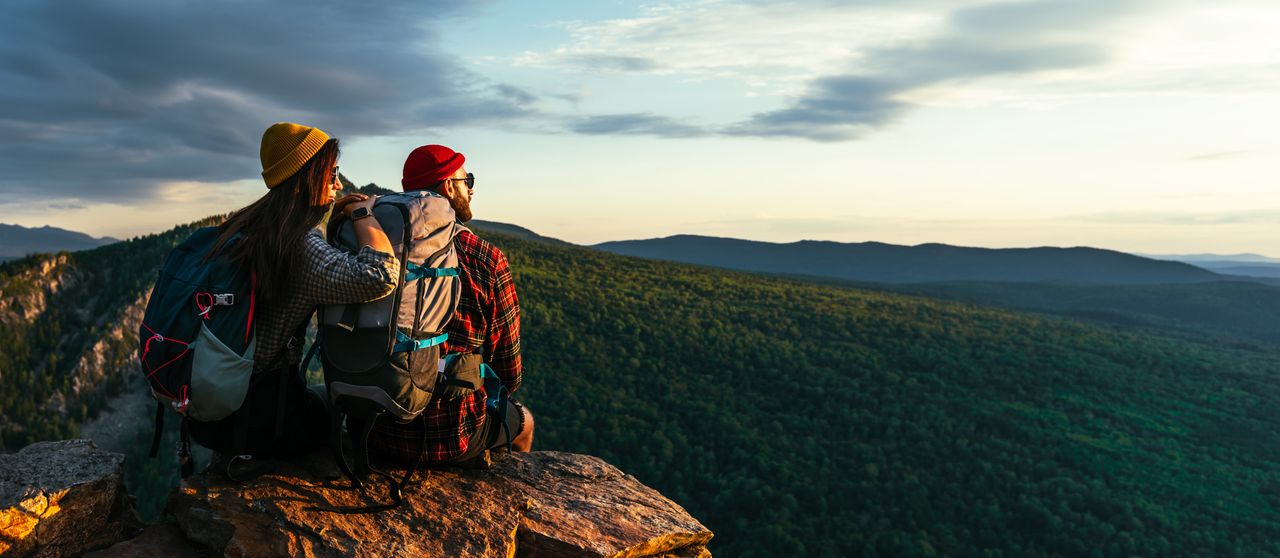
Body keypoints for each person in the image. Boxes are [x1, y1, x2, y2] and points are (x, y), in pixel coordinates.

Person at [187, 122, 400, 460]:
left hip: (212, 407)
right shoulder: (299, 243)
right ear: (306, 177)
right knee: (337, 403)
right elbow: (381, 274)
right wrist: (362, 213)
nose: (339, 183)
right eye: (332, 174)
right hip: (263, 415)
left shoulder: (245, 227)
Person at [369, 144, 534, 464]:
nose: (471, 189)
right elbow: (508, 373)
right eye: (467, 180)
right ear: (448, 185)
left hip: (377, 426)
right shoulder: (485, 258)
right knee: (525, 422)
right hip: (454, 434)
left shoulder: (375, 248)